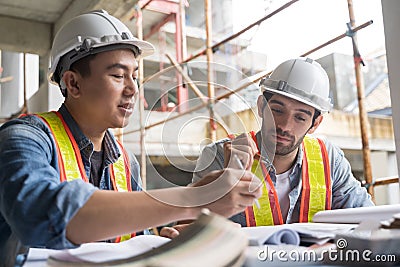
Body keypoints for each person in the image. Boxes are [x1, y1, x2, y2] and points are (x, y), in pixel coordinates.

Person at [0, 10, 261, 266]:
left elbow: (129, 240)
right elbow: (38, 215)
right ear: (73, 84)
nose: (133, 88)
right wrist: (192, 198)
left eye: (134, 75)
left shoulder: (125, 162)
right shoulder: (24, 138)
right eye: (118, 75)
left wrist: (162, 242)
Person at [192, 57, 374, 227]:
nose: (285, 126)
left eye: (300, 118)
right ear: (262, 107)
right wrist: (225, 183)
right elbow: (188, 228)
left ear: (315, 124)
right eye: (278, 111)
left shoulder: (329, 159)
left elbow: (367, 218)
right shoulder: (219, 156)